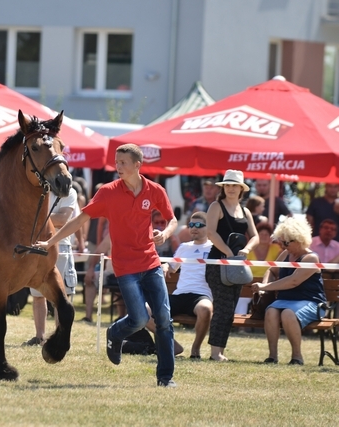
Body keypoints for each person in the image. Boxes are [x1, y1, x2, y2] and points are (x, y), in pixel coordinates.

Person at [36, 143, 178, 388]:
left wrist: (165, 234)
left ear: (137, 165)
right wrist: (50, 241)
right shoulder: (108, 192)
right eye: (116, 161)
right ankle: (115, 333)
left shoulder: (155, 190)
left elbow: (172, 219)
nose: (118, 166)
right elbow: (79, 219)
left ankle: (165, 378)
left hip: (151, 262)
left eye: (123, 162)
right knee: (140, 319)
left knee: (164, 320)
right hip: (125, 267)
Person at [251, 217, 327, 365]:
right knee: (271, 311)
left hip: (311, 302)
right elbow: (272, 270)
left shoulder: (311, 258)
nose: (283, 245)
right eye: (282, 241)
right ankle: (272, 356)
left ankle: (297, 357)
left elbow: (293, 281)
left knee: (287, 313)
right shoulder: (285, 254)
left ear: (298, 239)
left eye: (286, 242)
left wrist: (264, 287)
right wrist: (264, 287)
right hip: (286, 300)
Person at [205, 170, 258, 361]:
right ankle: (214, 352)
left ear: (241, 189)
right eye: (227, 185)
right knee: (223, 308)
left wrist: (247, 249)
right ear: (223, 187)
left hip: (237, 265)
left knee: (230, 308)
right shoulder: (215, 206)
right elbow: (211, 233)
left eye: (234, 185)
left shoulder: (246, 211)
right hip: (217, 263)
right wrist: (227, 252)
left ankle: (220, 350)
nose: (230, 188)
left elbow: (255, 236)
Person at [146, 211, 213, 359]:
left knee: (206, 309)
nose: (194, 228)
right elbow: (171, 266)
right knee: (144, 310)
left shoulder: (214, 248)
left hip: (200, 296)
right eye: (191, 225)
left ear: (209, 227)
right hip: (179, 294)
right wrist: (164, 266)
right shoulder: (184, 247)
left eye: (199, 225)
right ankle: (172, 344)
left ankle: (195, 350)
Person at [23, 186, 79, 346]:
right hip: (38, 246)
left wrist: (36, 216)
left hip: (60, 247)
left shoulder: (70, 192)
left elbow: (63, 219)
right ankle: (39, 337)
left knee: (60, 297)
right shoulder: (38, 191)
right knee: (37, 295)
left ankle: (59, 337)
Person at [236, 223, 281, 315]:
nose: (264, 237)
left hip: (268, 284)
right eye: (261, 234)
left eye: (266, 234)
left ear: (270, 237)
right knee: (242, 299)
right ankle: (240, 328)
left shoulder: (276, 249)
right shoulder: (248, 250)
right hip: (249, 283)